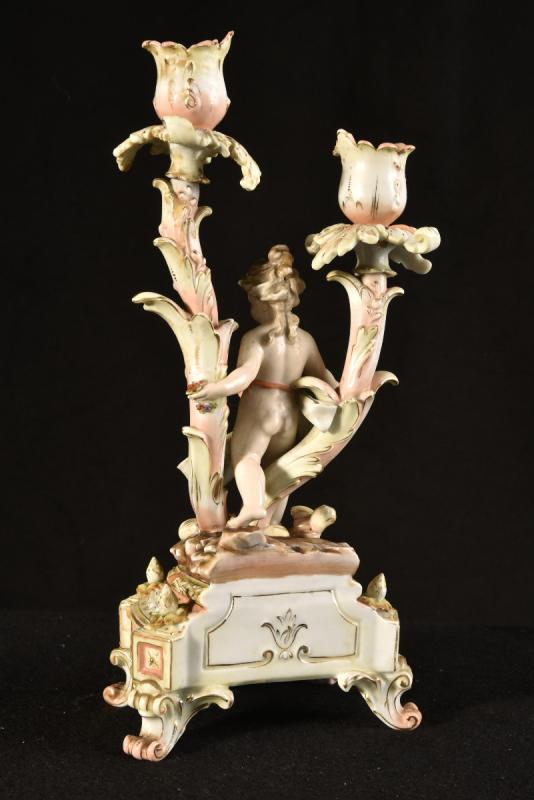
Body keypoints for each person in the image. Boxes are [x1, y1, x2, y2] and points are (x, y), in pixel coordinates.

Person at [190, 245, 338, 530]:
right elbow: (325, 377)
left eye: (251, 302)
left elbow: (245, 375)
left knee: (247, 458)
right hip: (289, 414)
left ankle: (252, 506)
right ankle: (268, 526)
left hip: (261, 408)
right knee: (278, 470)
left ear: (262, 301)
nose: (251, 309)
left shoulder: (256, 337)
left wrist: (216, 389)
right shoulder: (305, 340)